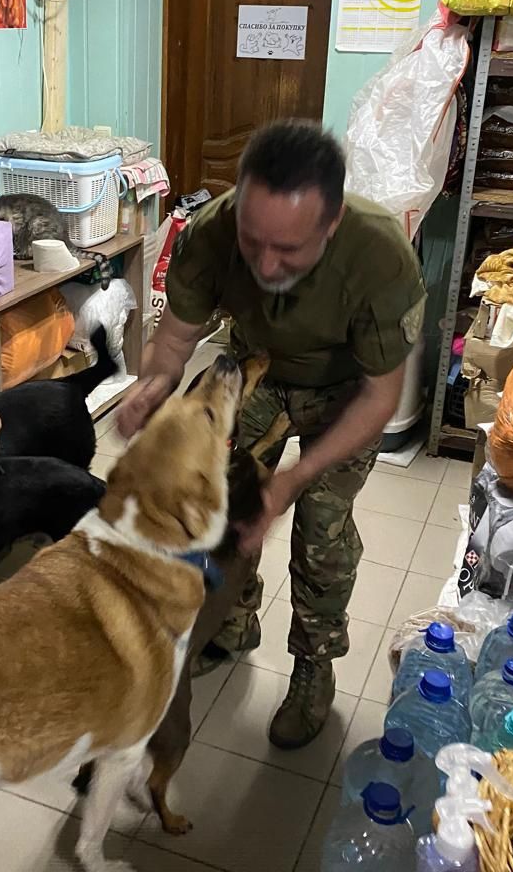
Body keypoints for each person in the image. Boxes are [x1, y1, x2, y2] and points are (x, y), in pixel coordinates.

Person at [117, 120, 426, 749]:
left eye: (288, 251)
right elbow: (176, 338)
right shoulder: (211, 232)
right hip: (252, 373)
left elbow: (380, 396)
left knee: (320, 529)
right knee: (222, 508)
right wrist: (154, 384)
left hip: (343, 395)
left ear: (331, 223)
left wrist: (295, 478)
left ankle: (314, 665)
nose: (264, 263)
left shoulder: (378, 254)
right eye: (252, 241)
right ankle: (232, 622)